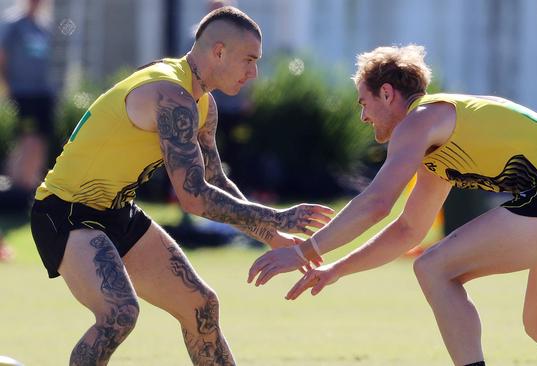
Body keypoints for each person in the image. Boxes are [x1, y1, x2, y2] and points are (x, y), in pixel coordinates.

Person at [248, 45, 537, 366]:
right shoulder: (436, 144)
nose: (363, 116)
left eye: (365, 103)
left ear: (388, 93)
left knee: (434, 267)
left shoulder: (420, 120)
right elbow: (408, 229)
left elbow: (378, 202)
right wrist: (335, 269)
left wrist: (303, 252)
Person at [30, 7, 333, 365]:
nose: (254, 73)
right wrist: (279, 218)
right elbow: (194, 197)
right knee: (119, 313)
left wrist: (269, 234)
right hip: (64, 212)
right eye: (249, 60)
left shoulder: (203, 104)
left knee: (201, 307)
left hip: (117, 212)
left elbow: (215, 182)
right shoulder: (171, 96)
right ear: (218, 51)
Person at [0, 0, 56, 194]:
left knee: (40, 140)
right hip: (22, 92)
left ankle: (32, 186)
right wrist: (5, 86)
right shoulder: (14, 24)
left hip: (42, 92)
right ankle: (17, 188)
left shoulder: (43, 26)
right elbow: (2, 54)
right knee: (28, 139)